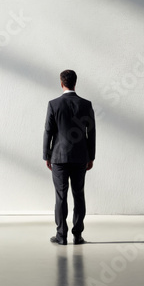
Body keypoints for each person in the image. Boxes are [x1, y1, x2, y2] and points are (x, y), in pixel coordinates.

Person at [43, 70, 95, 245]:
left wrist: (46, 155)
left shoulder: (54, 104)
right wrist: (91, 156)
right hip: (80, 157)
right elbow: (91, 133)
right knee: (79, 195)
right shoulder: (86, 104)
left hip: (59, 157)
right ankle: (77, 235)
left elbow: (48, 131)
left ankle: (61, 235)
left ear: (61, 83)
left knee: (61, 196)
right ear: (75, 83)